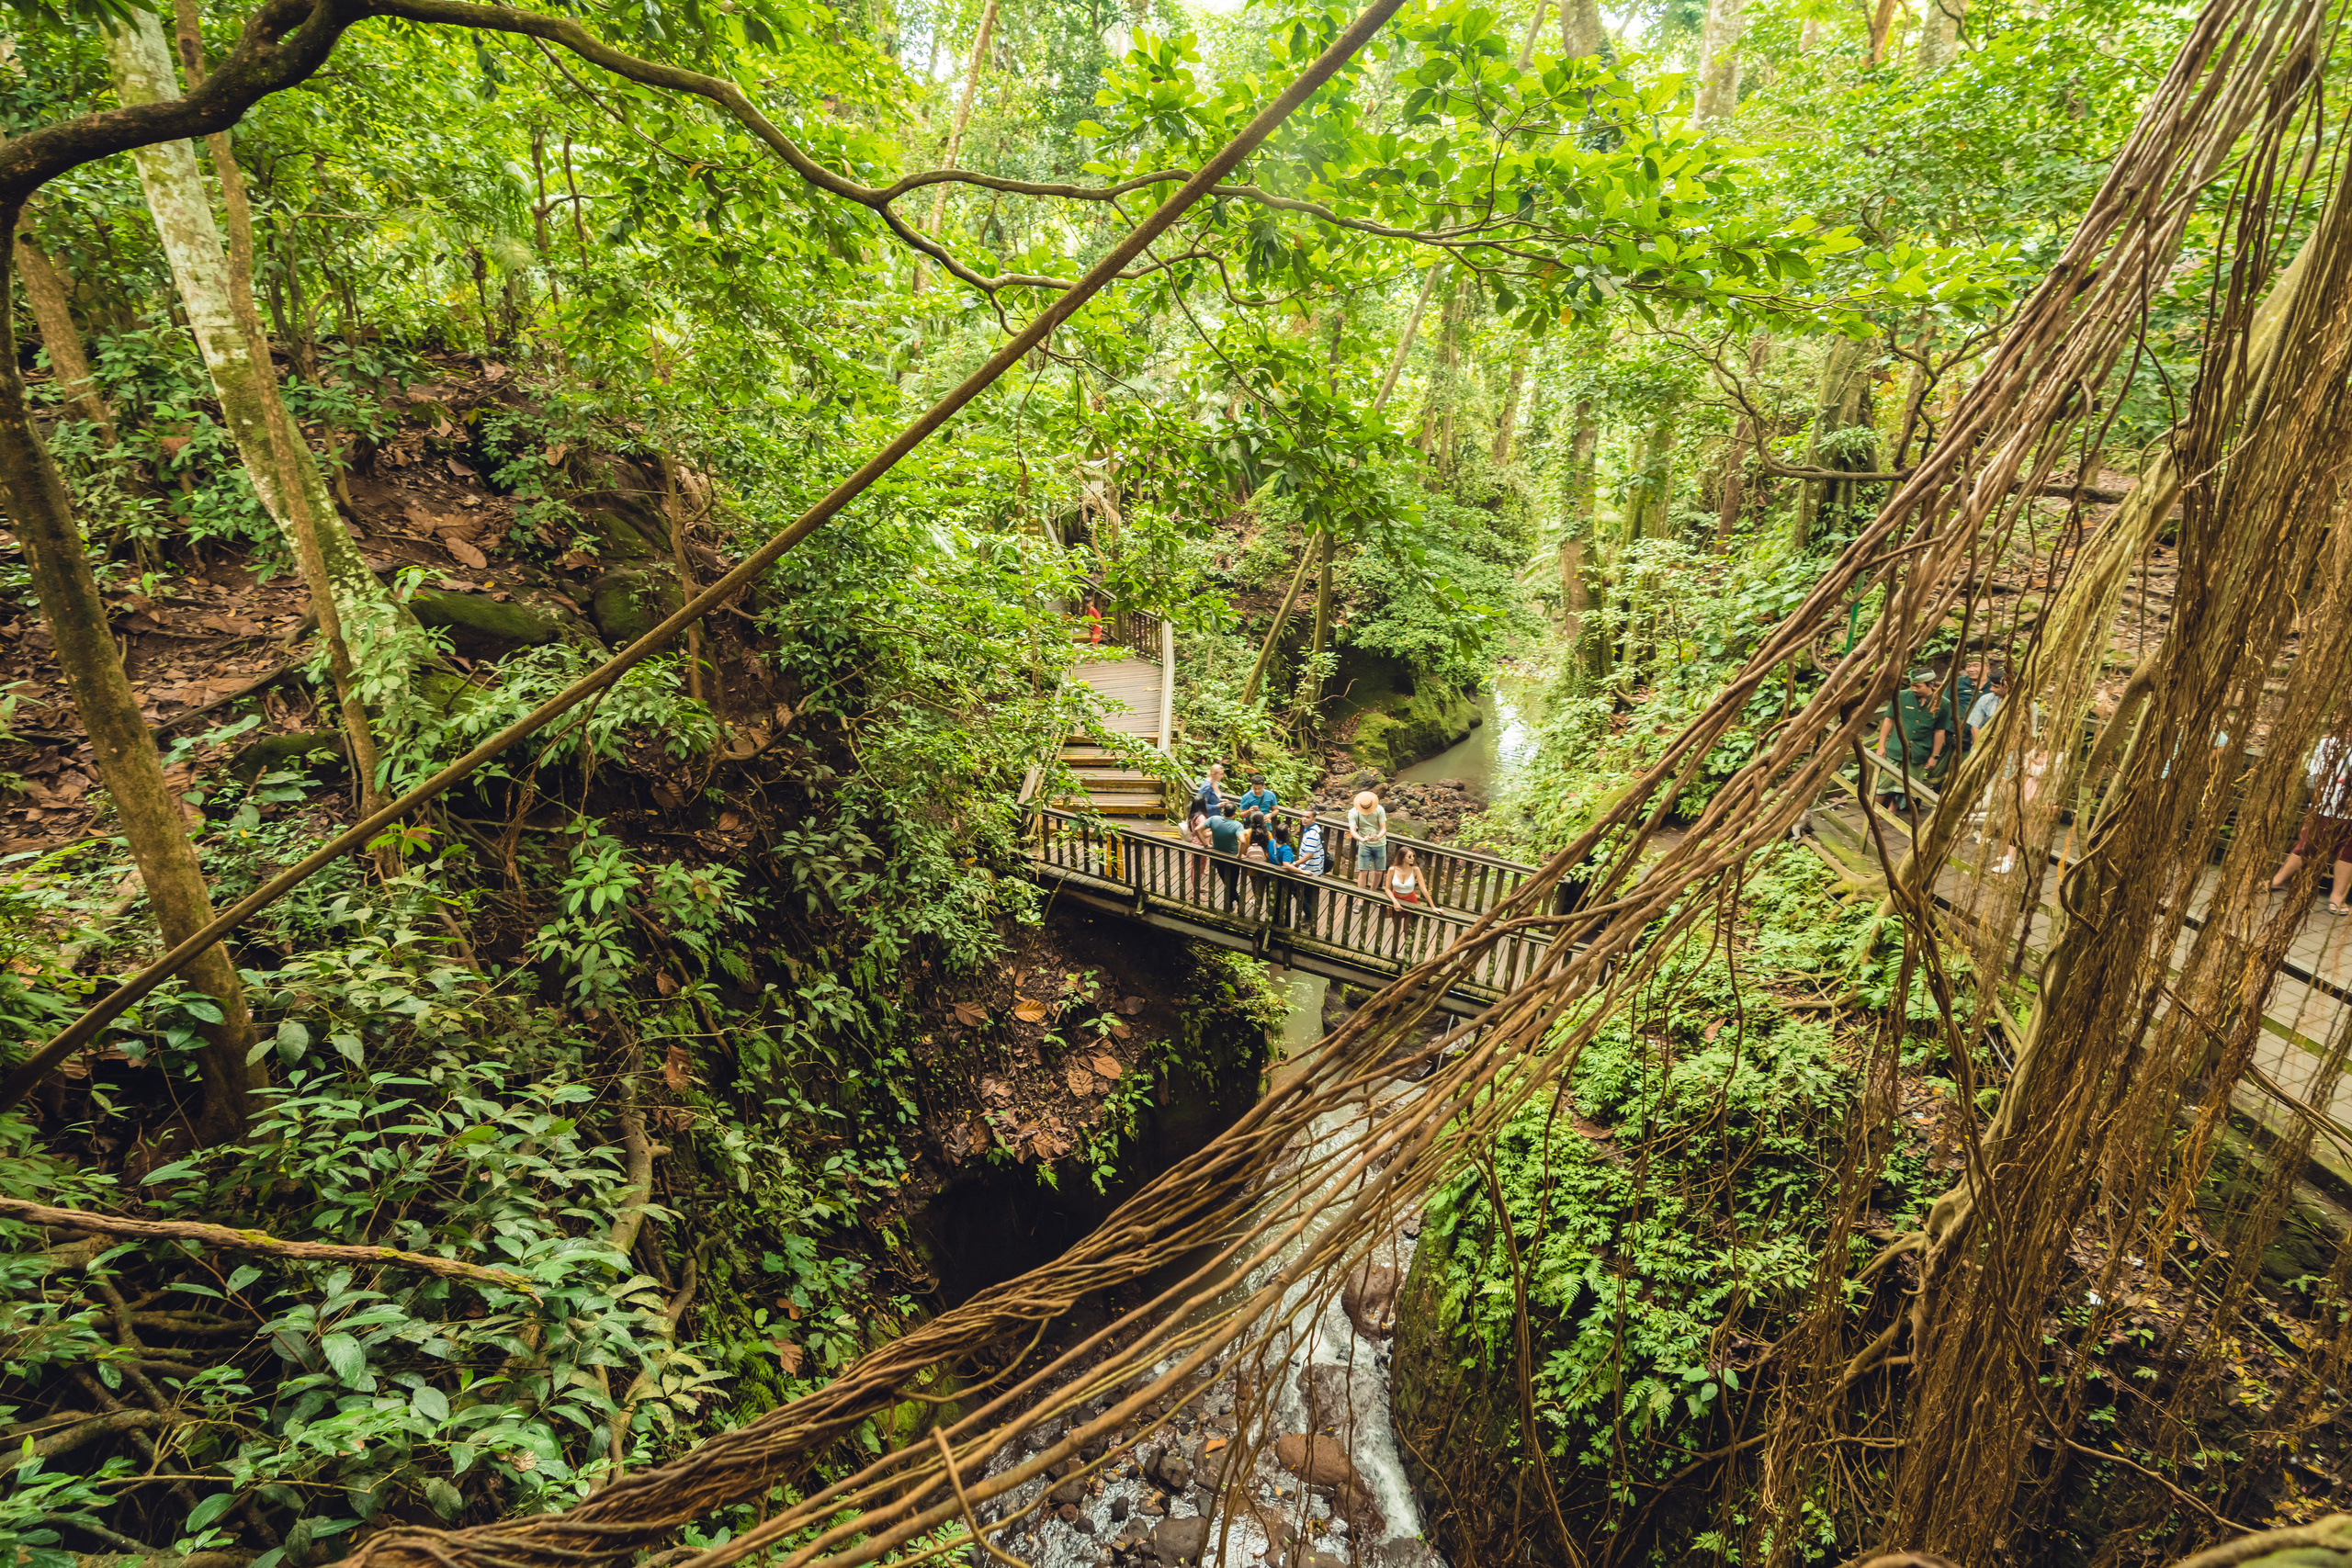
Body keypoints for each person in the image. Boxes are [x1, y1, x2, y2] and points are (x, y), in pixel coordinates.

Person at [2270, 732, 2352, 915]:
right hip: (2324, 805)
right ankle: (2279, 879)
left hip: (2350, 812)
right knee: (2307, 844)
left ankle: (2338, 896)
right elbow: (2315, 772)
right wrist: (2318, 797)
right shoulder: (2328, 742)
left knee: (2347, 851)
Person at [1874, 670, 1942, 810]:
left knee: (1906, 786)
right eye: (1912, 685)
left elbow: (1939, 731)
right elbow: (1888, 721)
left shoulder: (1942, 703)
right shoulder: (1901, 696)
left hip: (1919, 752)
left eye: (1918, 686)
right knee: (1882, 784)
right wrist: (1881, 746)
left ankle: (1892, 811)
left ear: (1931, 684)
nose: (1914, 689)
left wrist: (1934, 756)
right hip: (1895, 749)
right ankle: (1873, 814)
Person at [1385, 846, 1428, 954]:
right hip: (1397, 899)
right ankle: (1395, 951)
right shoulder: (1392, 870)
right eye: (1410, 856)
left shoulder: (1415, 870)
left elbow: (1423, 889)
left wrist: (1433, 906)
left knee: (1408, 929)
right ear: (1402, 857)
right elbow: (1387, 888)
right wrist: (1394, 901)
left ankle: (1407, 953)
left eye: (1413, 856)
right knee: (1396, 927)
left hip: (1411, 900)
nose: (1412, 858)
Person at [1205, 804, 1245, 910]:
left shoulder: (1214, 819)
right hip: (1233, 859)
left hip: (1219, 857)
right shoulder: (1237, 825)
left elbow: (1198, 829)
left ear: (1223, 812)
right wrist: (1239, 855)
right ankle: (1237, 899)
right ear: (1234, 814)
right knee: (1232, 882)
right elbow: (1243, 840)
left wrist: (1206, 845)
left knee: (1227, 881)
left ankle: (1230, 903)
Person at [1294, 807, 1327, 931]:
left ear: (1314, 819)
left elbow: (1309, 854)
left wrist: (1296, 864)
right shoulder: (1311, 829)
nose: (1304, 819)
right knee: (1308, 895)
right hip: (1313, 868)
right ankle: (1309, 918)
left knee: (1299, 891)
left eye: (1307, 817)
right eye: (1303, 816)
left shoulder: (1312, 834)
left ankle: (1310, 917)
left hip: (1310, 869)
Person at [1349, 790, 1389, 889]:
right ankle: (1361, 898)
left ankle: (1372, 893)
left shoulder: (1379, 810)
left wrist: (1378, 837)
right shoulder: (1353, 812)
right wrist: (1362, 839)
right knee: (1363, 871)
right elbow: (1352, 831)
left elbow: (1383, 828)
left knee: (1379, 872)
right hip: (1364, 844)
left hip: (1380, 843)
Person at [1965, 669, 2007, 749]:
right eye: (1991, 685)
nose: (1991, 689)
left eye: (1996, 687)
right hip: (1984, 745)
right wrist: (1979, 748)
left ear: (2007, 687)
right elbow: (1975, 726)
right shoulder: (1985, 699)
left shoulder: (2028, 706)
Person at [1242, 824, 1272, 915]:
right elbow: (1270, 850)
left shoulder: (1246, 833)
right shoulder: (1268, 834)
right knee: (1262, 885)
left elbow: (1243, 849)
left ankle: (1257, 903)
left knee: (1254, 883)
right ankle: (1260, 905)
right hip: (1264, 864)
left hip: (1251, 864)